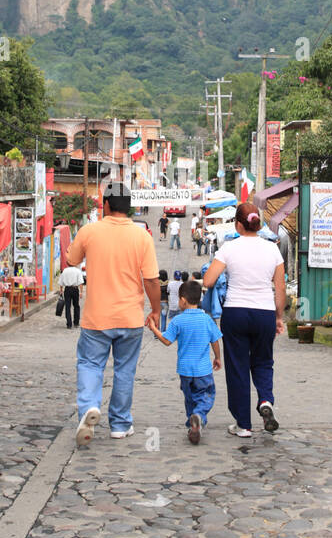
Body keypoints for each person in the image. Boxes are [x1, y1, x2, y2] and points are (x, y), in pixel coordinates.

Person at [65, 181, 161, 447]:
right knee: (124, 371)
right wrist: (155, 310)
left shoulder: (89, 231)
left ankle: (88, 408)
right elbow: (152, 280)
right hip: (130, 319)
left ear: (105, 205)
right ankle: (120, 424)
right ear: (129, 207)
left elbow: (72, 261)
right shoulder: (142, 236)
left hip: (96, 318)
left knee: (90, 364)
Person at [203, 202, 284, 437]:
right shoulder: (273, 250)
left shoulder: (229, 248)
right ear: (257, 223)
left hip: (236, 313)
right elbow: (279, 289)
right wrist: (278, 317)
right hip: (264, 313)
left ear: (238, 224)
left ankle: (243, 424)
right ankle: (266, 401)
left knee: (237, 367)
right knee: (263, 361)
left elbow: (208, 281)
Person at [147, 279, 222, 445]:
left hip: (185, 370)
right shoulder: (207, 320)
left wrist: (154, 328)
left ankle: (193, 423)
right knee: (206, 396)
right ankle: (199, 417)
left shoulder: (178, 321)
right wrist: (217, 357)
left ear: (183, 300)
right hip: (203, 370)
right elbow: (215, 340)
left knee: (190, 399)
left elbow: (166, 341)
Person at [59, 263, 84, 330]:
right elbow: (80, 282)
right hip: (75, 289)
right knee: (76, 306)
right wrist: (81, 292)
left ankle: (69, 324)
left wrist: (61, 290)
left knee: (67, 306)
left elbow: (61, 282)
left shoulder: (65, 271)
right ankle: (76, 322)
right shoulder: (77, 271)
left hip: (67, 289)